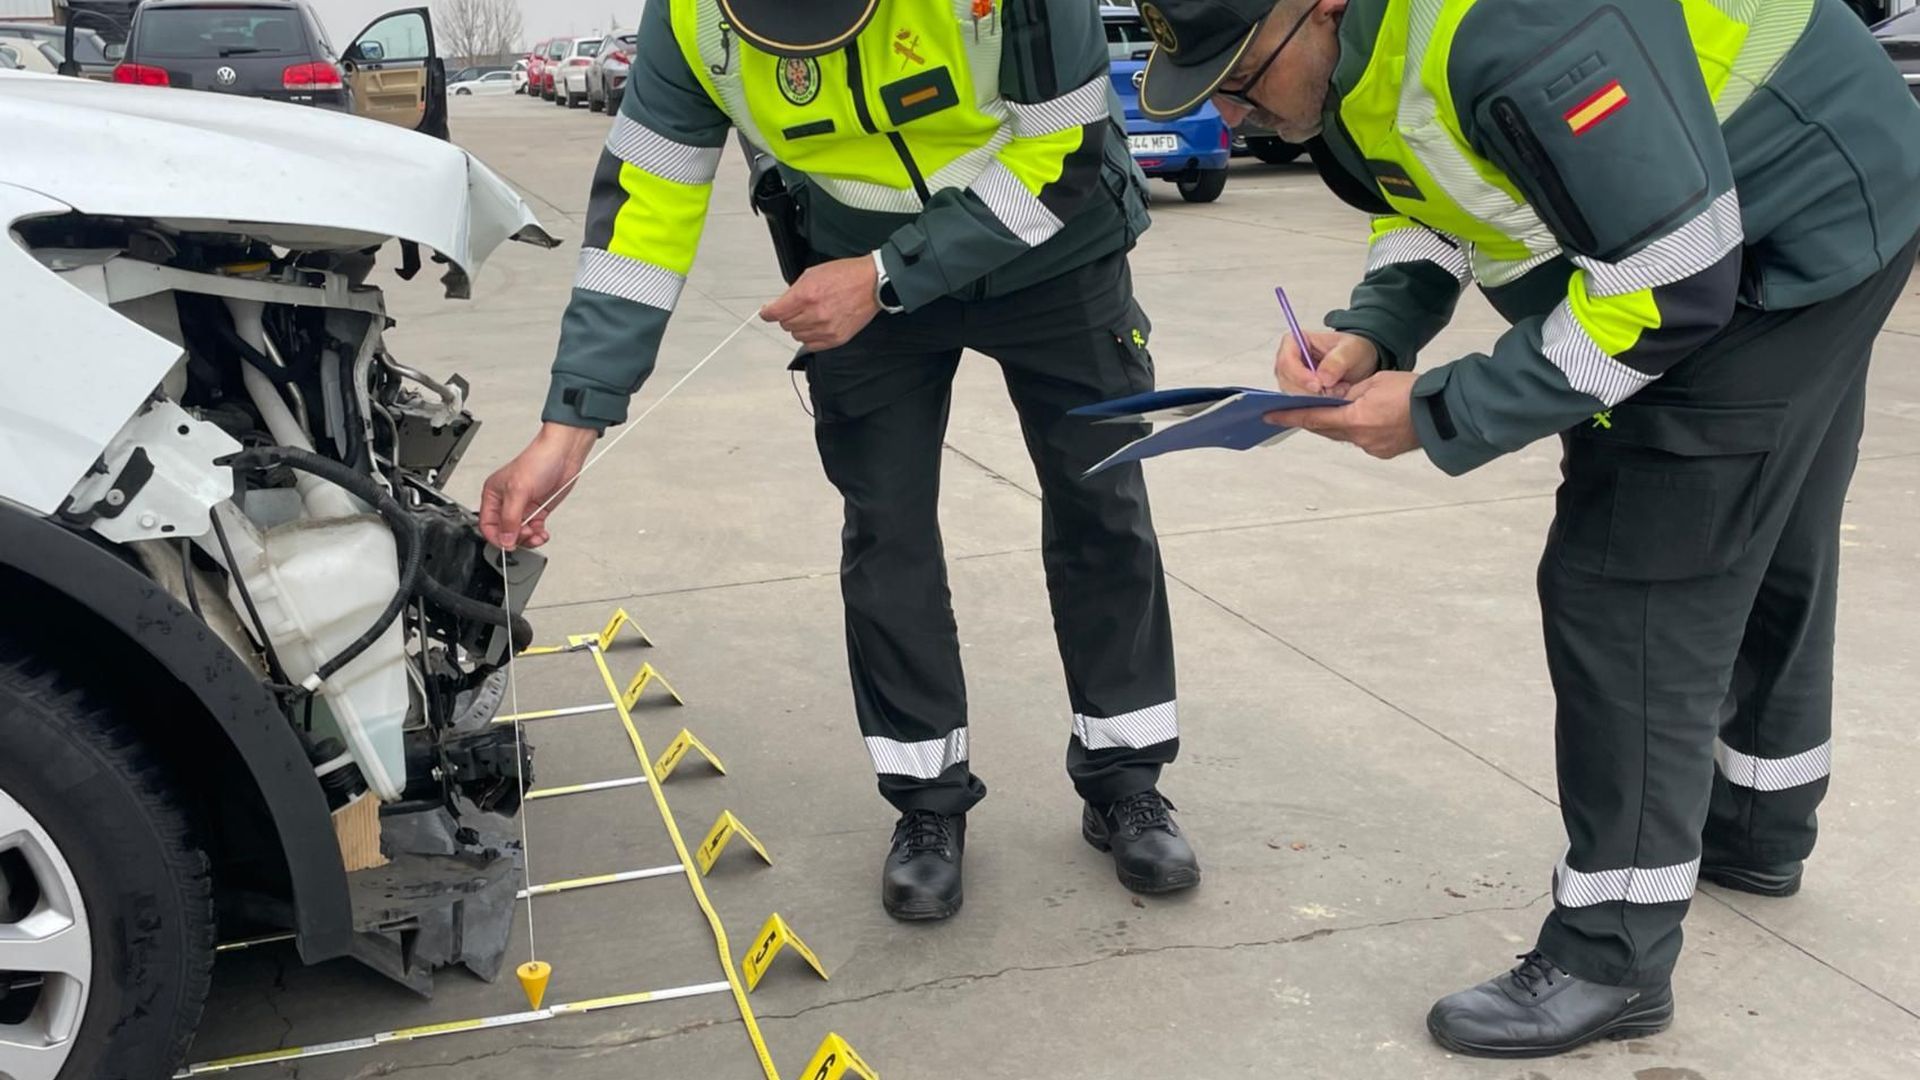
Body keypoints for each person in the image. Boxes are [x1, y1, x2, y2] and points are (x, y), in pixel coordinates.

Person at [1135, 0, 1920, 1058]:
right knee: (1761, 526)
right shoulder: (1362, 56)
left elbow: (1677, 287)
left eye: (1242, 76)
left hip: (1794, 208)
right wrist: (1376, 331)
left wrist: (1441, 408)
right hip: (1781, 188)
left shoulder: (1511, 23)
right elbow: (1435, 194)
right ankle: (1755, 828)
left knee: (1629, 581)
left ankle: (1613, 954)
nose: (1233, 113)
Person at [479, 0, 1203, 922]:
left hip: (1052, 255)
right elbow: (647, 207)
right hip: (850, 263)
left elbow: (1059, 159)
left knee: (1100, 504)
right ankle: (927, 801)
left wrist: (893, 274)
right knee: (886, 531)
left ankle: (1124, 780)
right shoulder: (694, 20)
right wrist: (568, 425)